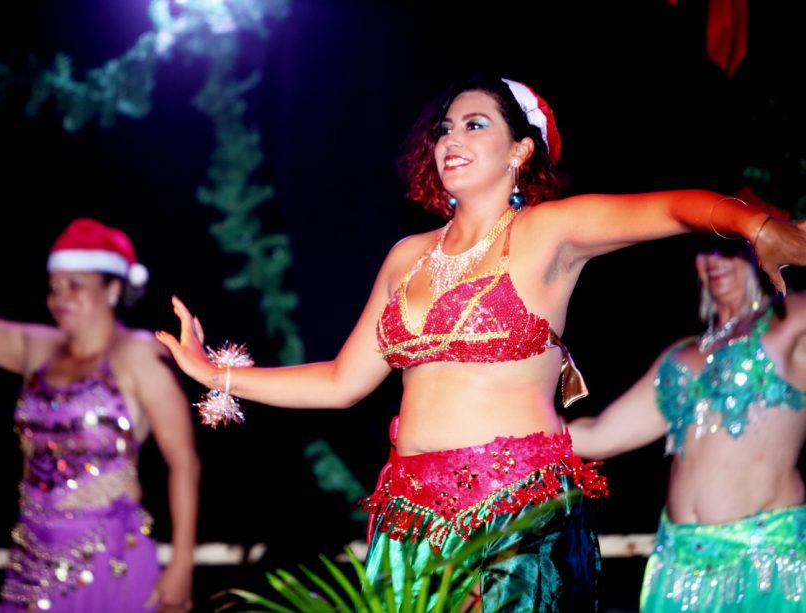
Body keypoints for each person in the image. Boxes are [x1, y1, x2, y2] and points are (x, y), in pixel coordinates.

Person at [156, 75, 806, 610]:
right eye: (444, 128)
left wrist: (753, 223)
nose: (450, 139)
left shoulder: (547, 232)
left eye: (475, 125)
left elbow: (670, 208)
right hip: (408, 517)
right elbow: (341, 381)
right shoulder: (406, 256)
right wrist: (217, 373)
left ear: (521, 150)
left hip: (514, 511)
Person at [0, 218, 199, 612]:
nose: (60, 297)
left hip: (110, 558)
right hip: (33, 554)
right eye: (54, 287)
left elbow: (183, 463)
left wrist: (182, 562)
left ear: (114, 288)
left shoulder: (138, 354)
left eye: (76, 285)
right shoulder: (37, 348)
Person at [567, 240, 805, 612]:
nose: (716, 260)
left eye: (731, 248)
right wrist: (504, 430)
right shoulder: (681, 356)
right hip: (676, 566)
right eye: (706, 249)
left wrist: (785, 238)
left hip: (764, 562)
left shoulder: (789, 324)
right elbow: (598, 435)